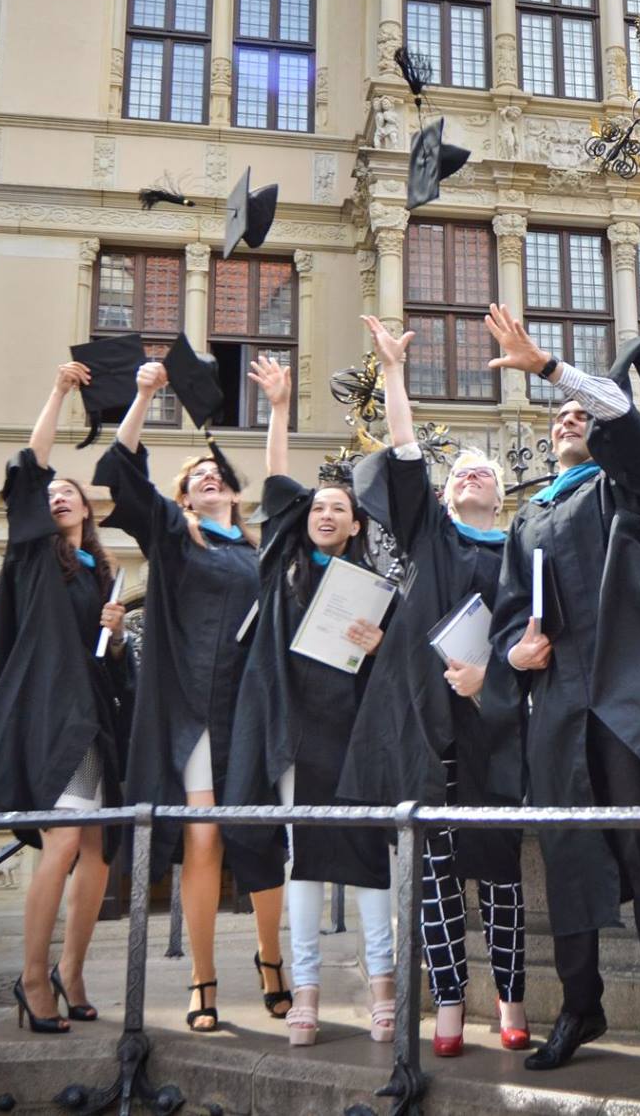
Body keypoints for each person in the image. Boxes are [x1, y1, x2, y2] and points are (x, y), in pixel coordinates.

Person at [484, 306, 640, 1084]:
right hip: (561, 705)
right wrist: (515, 651)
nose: (569, 419)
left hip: (628, 697)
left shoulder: (627, 490)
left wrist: (552, 370)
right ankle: (581, 1007)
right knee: (570, 861)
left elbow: (624, 422)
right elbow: (509, 615)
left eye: (581, 414)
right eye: (560, 417)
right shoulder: (529, 518)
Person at [338, 316, 529, 1059]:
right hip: (431, 729)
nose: (472, 475)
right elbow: (407, 455)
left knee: (502, 872)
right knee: (437, 874)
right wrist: (393, 373)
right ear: (447, 497)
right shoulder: (433, 538)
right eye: (462, 473)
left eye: (485, 472)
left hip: (498, 726)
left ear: (501, 495)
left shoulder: (522, 552)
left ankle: (511, 1001)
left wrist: (495, 677)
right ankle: (448, 1006)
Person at [94, 362, 283, 1033]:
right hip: (194, 712)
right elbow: (121, 473)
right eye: (196, 477)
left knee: (258, 840)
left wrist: (278, 409)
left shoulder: (259, 552)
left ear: (232, 491)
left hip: (250, 710)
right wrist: (144, 394)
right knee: (204, 840)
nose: (208, 478)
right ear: (186, 497)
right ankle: (203, 979)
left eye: (217, 474)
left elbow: (283, 491)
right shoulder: (177, 539)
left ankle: (271, 960)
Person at [223, 355, 397, 1047]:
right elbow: (275, 485)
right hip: (296, 734)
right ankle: (306, 991)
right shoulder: (282, 566)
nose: (325, 513)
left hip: (356, 734)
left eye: (338, 509)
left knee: (369, 861)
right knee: (305, 862)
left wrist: (379, 644)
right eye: (319, 507)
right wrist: (278, 410)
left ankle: (383, 988)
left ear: (355, 526)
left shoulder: (373, 585)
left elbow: (393, 667)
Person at [0, 362, 131, 1033]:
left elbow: (106, 664)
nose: (57, 497)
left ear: (87, 511)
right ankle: (32, 978)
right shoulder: (32, 554)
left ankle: (72, 971)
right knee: (62, 844)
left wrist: (115, 636)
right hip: (53, 719)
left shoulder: (99, 575)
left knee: (98, 853)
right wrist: (58, 393)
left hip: (93, 722)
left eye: (69, 493)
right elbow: (30, 467)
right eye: (51, 494)